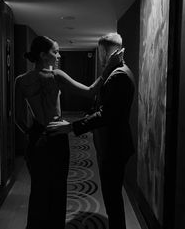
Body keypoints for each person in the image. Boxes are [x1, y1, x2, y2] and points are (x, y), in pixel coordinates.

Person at [14, 35, 124, 229]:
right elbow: (90, 91)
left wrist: (32, 134)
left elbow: (17, 118)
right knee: (57, 189)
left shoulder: (21, 81)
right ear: (42, 55)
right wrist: (110, 67)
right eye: (54, 51)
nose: (58, 55)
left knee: (38, 189)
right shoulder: (56, 75)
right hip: (57, 137)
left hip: (36, 138)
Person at [48, 32, 135, 229]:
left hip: (114, 146)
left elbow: (106, 115)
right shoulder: (117, 71)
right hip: (113, 144)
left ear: (103, 50)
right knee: (112, 197)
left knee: (112, 199)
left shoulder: (118, 75)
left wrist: (71, 126)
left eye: (100, 50)